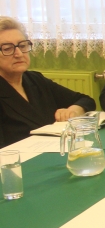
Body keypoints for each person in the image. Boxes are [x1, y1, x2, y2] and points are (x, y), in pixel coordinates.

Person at [0, 17, 95, 146]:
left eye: (22, 46)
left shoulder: (35, 79)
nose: (19, 54)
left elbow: (85, 100)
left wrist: (74, 111)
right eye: (7, 49)